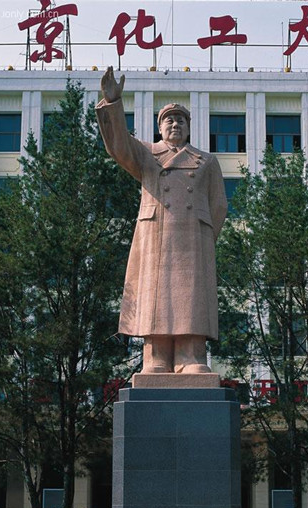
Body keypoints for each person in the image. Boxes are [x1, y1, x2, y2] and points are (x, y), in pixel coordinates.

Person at [96, 66, 228, 375]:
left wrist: (204, 237)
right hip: (155, 236)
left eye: (181, 120)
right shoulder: (146, 154)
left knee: (190, 298)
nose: (175, 124)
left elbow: (219, 205)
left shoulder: (207, 161)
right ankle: (155, 357)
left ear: (189, 127)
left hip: (192, 240)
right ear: (160, 127)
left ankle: (190, 356)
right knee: (154, 296)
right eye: (169, 120)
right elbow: (118, 145)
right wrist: (113, 103)